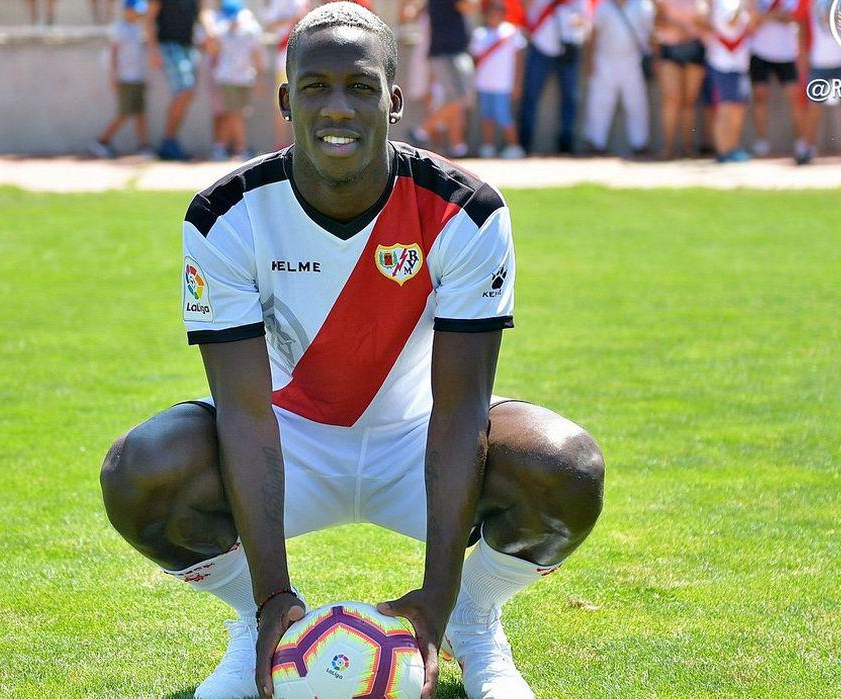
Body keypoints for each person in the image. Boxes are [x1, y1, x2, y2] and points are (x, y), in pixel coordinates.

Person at [98, 4, 606, 699]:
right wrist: (272, 592)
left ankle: (473, 617)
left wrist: (436, 591)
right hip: (285, 440)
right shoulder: (225, 213)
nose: (337, 107)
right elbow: (244, 414)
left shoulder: (467, 209)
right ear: (285, 100)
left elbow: (461, 410)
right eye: (315, 87)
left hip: (418, 440)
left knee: (566, 467)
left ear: (393, 100)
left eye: (360, 87)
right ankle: (256, 625)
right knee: (140, 471)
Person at [793, 0, 841, 165]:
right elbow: (801, 21)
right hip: (819, 60)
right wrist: (802, 51)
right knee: (813, 105)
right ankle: (808, 147)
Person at [518, 0, 591, 153]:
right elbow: (527, 10)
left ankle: (566, 143)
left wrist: (576, 24)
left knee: (570, 97)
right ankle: (524, 143)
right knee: (530, 95)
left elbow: (586, 22)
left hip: (568, 49)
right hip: (541, 45)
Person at [583, 0, 654, 155]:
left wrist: (654, 60)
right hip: (604, 60)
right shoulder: (603, 6)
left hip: (633, 61)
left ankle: (640, 144)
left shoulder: (643, 5)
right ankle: (596, 143)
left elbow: (651, 34)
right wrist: (589, 62)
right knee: (600, 103)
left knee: (637, 104)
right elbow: (593, 33)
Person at [409, 0, 478, 157]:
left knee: (456, 101)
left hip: (449, 53)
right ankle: (421, 132)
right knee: (460, 99)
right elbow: (469, 5)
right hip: (447, 54)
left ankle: (457, 148)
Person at [91, 0, 154, 159]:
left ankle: (144, 146)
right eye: (136, 10)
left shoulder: (139, 29)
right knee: (124, 113)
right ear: (127, 10)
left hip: (137, 77)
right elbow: (113, 54)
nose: (139, 14)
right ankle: (101, 141)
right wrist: (113, 78)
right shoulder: (119, 29)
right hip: (125, 78)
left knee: (140, 113)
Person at [202, 0, 264, 161]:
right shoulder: (221, 30)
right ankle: (239, 148)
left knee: (236, 114)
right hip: (227, 78)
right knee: (233, 114)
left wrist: (258, 78)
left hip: (243, 78)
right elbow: (212, 50)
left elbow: (256, 55)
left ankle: (221, 147)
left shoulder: (250, 29)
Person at [702, 0, 760, 162]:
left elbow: (753, 27)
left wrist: (752, 7)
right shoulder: (723, 3)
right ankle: (722, 151)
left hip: (740, 63)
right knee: (725, 109)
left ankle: (732, 148)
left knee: (737, 109)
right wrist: (744, 5)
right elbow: (731, 24)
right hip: (723, 64)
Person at [470, 0, 527, 157]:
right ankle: (488, 147)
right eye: (491, 13)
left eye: (498, 12)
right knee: (486, 116)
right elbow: (474, 60)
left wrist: (517, 84)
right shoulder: (480, 34)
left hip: (503, 84)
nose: (494, 16)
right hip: (484, 84)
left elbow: (519, 61)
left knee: (504, 116)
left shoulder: (512, 32)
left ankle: (514, 147)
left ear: (503, 14)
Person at [747, 0, 803, 157]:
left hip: (787, 54)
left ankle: (800, 141)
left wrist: (767, 16)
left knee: (795, 97)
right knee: (759, 96)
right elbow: (752, 22)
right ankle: (761, 142)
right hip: (759, 52)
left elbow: (795, 18)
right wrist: (777, 15)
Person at [654, 0, 708, 159]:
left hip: (695, 48)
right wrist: (679, 26)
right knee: (671, 98)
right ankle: (668, 148)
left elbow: (709, 25)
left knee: (689, 101)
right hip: (669, 48)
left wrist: (697, 22)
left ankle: (688, 148)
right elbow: (657, 22)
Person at [152, 0, 202, 161]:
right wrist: (152, 50)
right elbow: (148, 19)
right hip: (168, 45)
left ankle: (170, 141)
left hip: (189, 46)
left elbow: (202, 14)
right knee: (184, 89)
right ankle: (168, 141)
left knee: (187, 92)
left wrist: (209, 33)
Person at [265, 0, 311, 150]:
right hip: (284, 59)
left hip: (305, 57)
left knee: (303, 100)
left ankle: (301, 145)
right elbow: (270, 24)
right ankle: (280, 146)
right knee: (282, 102)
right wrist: (292, 19)